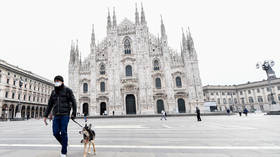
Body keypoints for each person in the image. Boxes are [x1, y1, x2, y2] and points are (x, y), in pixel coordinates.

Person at [43, 75, 77, 157]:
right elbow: (50, 104)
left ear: (62, 82)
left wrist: (74, 113)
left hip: (65, 114)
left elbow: (74, 102)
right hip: (56, 115)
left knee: (64, 132)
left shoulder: (68, 90)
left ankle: (63, 152)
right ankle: (64, 143)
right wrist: (45, 116)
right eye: (55, 81)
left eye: (58, 81)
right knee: (55, 132)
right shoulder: (53, 92)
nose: (56, 82)